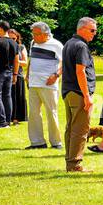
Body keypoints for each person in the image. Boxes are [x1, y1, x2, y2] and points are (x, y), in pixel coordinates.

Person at [61, 17, 99, 173]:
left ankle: (70, 162)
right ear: (81, 29)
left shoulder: (69, 43)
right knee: (80, 130)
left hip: (68, 91)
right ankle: (75, 165)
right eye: (92, 30)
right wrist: (87, 96)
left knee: (71, 128)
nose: (94, 34)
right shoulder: (81, 46)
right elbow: (80, 71)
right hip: (78, 92)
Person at [25, 22, 64, 150]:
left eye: (37, 34)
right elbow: (31, 60)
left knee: (51, 112)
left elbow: (64, 63)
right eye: (33, 34)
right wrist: (27, 75)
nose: (34, 37)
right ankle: (37, 142)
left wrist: (56, 76)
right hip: (33, 83)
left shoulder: (57, 45)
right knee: (34, 113)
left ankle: (56, 142)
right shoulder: (33, 43)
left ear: (46, 34)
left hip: (49, 84)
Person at [8, 29, 29, 126]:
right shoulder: (4, 46)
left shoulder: (21, 47)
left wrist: (15, 61)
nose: (12, 40)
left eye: (14, 38)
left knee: (17, 97)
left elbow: (25, 62)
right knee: (6, 97)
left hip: (18, 74)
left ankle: (16, 118)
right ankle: (6, 118)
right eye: (10, 38)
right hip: (6, 74)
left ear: (17, 38)